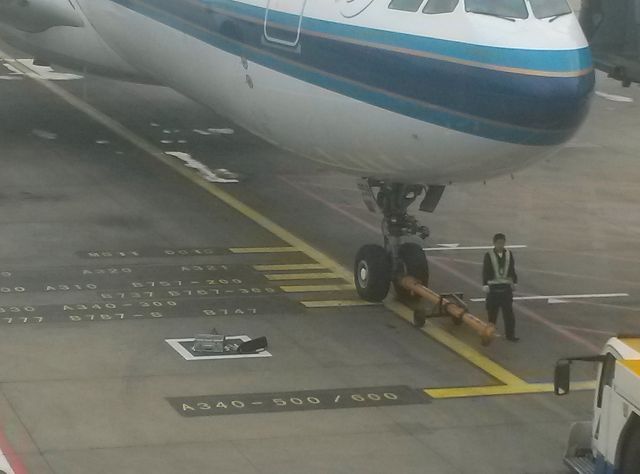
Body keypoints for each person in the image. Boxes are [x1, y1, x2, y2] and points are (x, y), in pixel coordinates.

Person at [482, 233, 519, 342]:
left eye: (502, 243)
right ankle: (488, 335)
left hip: (505, 289)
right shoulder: (489, 255)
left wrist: (514, 282)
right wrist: (485, 284)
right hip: (493, 289)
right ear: (494, 243)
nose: (500, 245)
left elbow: (512, 268)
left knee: (509, 315)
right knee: (492, 314)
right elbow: (486, 270)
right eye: (498, 243)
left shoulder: (508, 254)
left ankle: (510, 335)